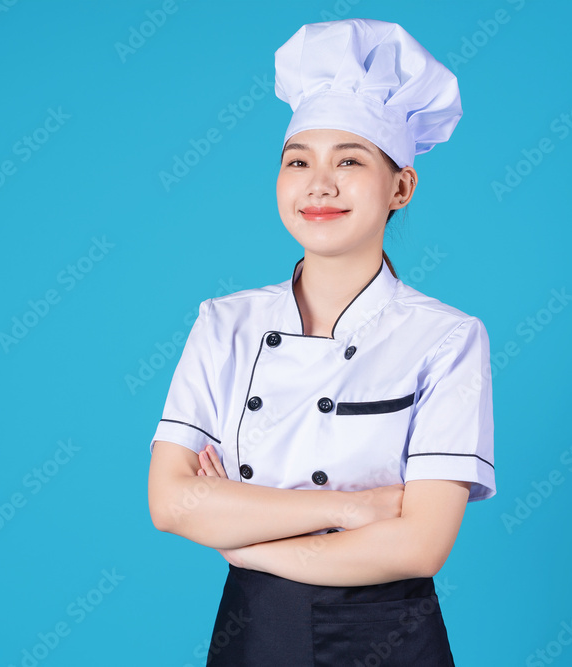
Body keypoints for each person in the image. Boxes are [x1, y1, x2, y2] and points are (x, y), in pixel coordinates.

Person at [147, 17, 495, 666]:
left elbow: (418, 545)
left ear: (401, 187)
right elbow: (170, 501)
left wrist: (242, 538)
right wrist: (356, 507)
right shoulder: (224, 322)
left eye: (351, 160)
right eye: (299, 160)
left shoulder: (446, 338)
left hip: (391, 636)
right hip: (254, 632)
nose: (320, 184)